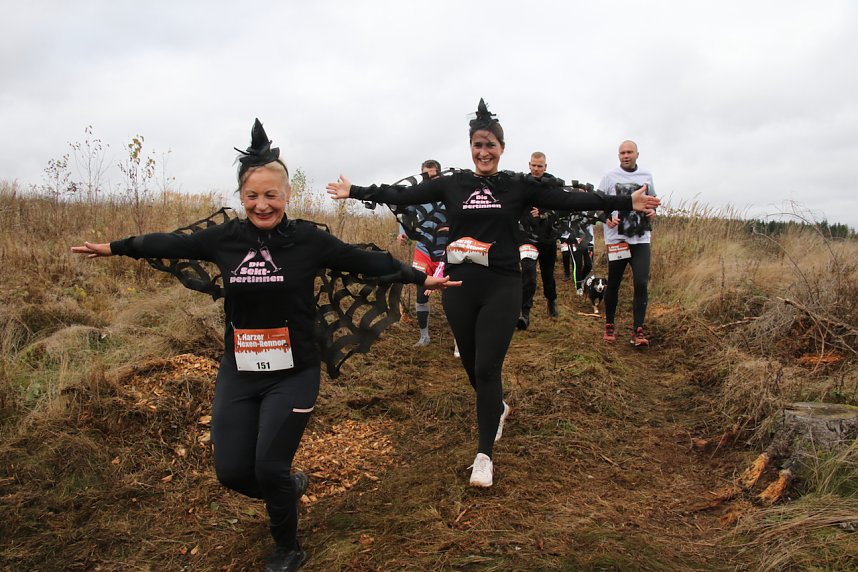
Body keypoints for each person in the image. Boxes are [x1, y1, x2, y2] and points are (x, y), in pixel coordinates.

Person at [72, 119, 458, 572]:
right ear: (241, 197)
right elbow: (171, 242)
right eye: (252, 195)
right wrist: (115, 247)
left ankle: (287, 547)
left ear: (288, 196)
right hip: (238, 370)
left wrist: (419, 276)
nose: (262, 204)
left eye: (271, 194)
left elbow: (365, 261)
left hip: (294, 371)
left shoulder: (308, 240)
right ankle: (288, 490)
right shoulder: (225, 239)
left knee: (269, 467)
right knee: (233, 472)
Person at [326, 100, 660, 487]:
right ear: (470, 149)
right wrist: (354, 191)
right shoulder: (453, 184)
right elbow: (403, 196)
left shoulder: (516, 185)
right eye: (477, 146)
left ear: (502, 148)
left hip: (502, 284)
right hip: (458, 287)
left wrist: (625, 201)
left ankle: (484, 455)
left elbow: (571, 198)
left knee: (487, 368)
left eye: (491, 145)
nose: (484, 152)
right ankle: (497, 407)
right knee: (470, 364)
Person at [598, 140, 657, 347]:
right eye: (622, 152)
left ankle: (638, 330)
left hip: (641, 238)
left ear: (637, 155)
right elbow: (598, 205)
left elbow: (652, 203)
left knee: (641, 282)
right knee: (613, 282)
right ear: (618, 155)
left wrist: (652, 211)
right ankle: (609, 324)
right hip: (617, 240)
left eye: (629, 152)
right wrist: (606, 217)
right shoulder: (609, 177)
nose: (625, 155)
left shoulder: (647, 176)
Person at [396, 160, 456, 355]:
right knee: (422, 292)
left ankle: (459, 340)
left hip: (447, 250)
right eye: (425, 175)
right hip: (423, 248)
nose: (429, 179)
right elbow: (406, 215)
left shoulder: (449, 192)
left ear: (439, 174)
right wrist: (402, 232)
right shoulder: (418, 194)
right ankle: (424, 336)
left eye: (433, 175)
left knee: (452, 296)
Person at [516, 152, 563, 330]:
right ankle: (524, 313)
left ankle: (551, 301)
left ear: (545, 167)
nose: (536, 169)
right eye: (533, 165)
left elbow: (560, 211)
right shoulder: (521, 185)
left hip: (547, 237)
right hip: (527, 237)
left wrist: (543, 214)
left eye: (540, 166)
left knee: (547, 274)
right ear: (529, 165)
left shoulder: (553, 186)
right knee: (528, 271)